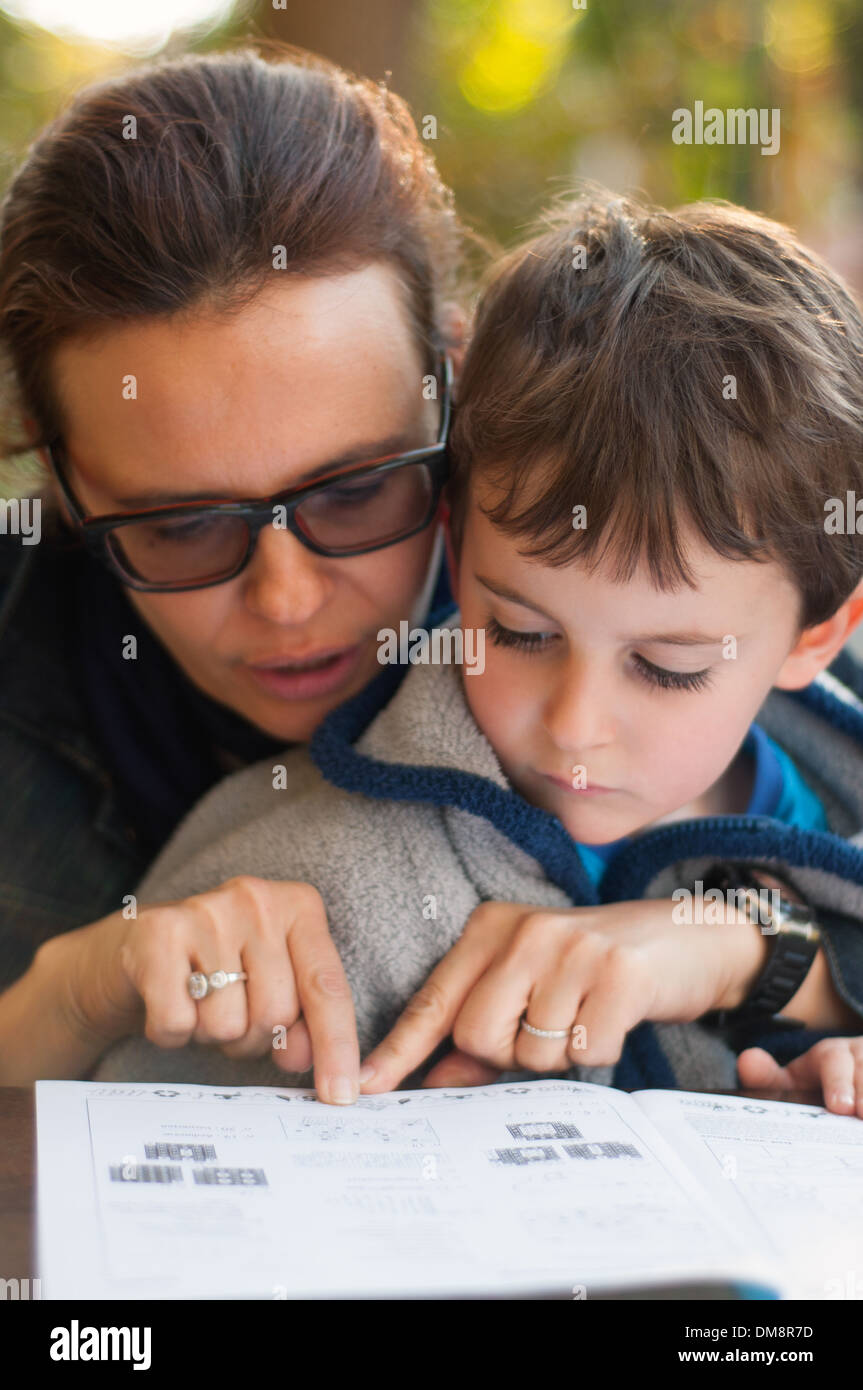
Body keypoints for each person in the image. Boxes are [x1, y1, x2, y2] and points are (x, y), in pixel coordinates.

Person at [88, 192, 863, 1114]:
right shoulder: (309, 879)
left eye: (666, 665)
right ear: (457, 551)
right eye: (520, 632)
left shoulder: (836, 767)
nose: (574, 725)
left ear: (816, 636)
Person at [0, 44, 469, 1102]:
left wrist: (752, 953)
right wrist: (69, 997)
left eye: (355, 493)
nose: (287, 598)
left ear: (448, 386)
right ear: (62, 474)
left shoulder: (637, 568)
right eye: (180, 528)